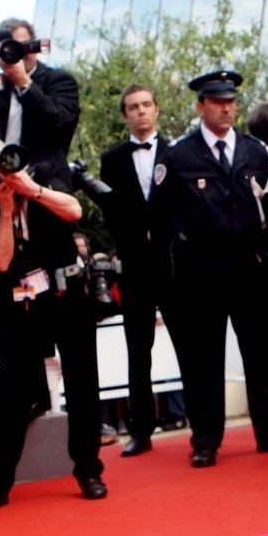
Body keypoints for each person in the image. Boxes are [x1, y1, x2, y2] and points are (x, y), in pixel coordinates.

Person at [153, 69, 268, 467]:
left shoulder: (256, 151)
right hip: (201, 271)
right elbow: (162, 217)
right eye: (217, 102)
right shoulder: (179, 156)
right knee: (203, 357)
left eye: (231, 101)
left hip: (251, 268)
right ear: (200, 106)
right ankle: (205, 439)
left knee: (262, 352)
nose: (225, 108)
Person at [0, 135, 109, 512]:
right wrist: (4, 210)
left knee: (83, 383)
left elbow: (73, 211)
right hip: (18, 303)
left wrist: (29, 189)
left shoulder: (43, 173)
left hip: (66, 294)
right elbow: (0, 261)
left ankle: (89, 470)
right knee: (12, 392)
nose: (0, 174)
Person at [97, 84, 170, 457]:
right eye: (133, 107)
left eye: (146, 105)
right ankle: (141, 430)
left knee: (191, 345)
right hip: (135, 267)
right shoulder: (111, 160)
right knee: (137, 351)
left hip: (174, 265)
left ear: (156, 109)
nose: (141, 111)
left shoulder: (177, 152)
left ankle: (205, 428)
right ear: (125, 115)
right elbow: (110, 212)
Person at [0, 20, 81, 164]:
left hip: (43, 173)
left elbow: (60, 123)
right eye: (10, 47)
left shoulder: (58, 79)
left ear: (34, 47)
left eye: (23, 46)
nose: (18, 53)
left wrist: (24, 83)